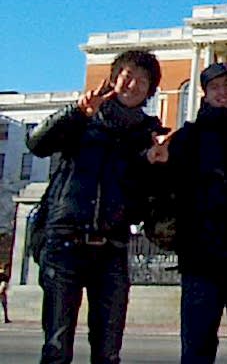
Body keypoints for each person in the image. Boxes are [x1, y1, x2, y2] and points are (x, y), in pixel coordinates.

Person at [26, 49, 166, 364]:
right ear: (114, 78)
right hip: (65, 241)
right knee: (57, 348)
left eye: (143, 81)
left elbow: (143, 198)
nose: (133, 85)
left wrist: (152, 165)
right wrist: (76, 112)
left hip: (112, 247)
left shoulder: (148, 134)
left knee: (108, 351)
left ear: (150, 91)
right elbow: (36, 144)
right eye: (128, 76)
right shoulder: (85, 118)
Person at [147, 62, 227, 363]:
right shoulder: (187, 137)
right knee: (197, 349)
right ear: (205, 95)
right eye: (215, 87)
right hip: (201, 260)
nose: (223, 92)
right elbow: (164, 190)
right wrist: (159, 166)